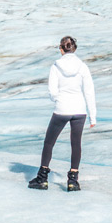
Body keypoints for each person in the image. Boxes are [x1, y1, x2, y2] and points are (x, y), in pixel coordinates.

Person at [28, 36, 97, 192]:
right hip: (79, 110)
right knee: (76, 144)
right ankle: (73, 181)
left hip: (62, 109)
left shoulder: (56, 66)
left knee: (49, 142)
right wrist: (93, 116)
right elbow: (89, 91)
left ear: (61, 49)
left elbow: (52, 91)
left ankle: (42, 179)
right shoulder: (82, 66)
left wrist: (59, 99)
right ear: (74, 49)